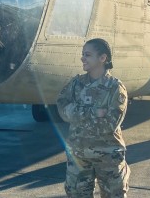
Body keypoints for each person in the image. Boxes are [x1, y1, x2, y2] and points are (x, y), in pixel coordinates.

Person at [57, 38, 130, 197]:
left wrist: (76, 113)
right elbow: (62, 108)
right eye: (83, 54)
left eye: (87, 55)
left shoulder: (115, 88)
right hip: (78, 156)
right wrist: (94, 112)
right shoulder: (76, 84)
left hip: (108, 157)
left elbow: (109, 124)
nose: (82, 58)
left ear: (102, 58)